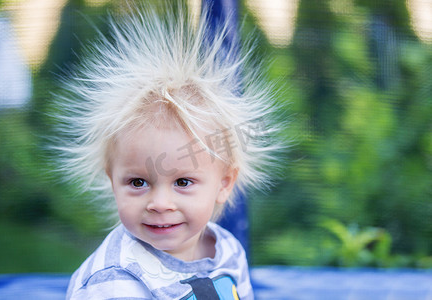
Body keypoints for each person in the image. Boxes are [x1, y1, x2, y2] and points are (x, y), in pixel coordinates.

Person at [60, 2, 285, 299]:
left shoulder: (227, 252)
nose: (160, 203)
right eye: (138, 182)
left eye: (182, 182)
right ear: (112, 180)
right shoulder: (116, 280)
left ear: (224, 184)